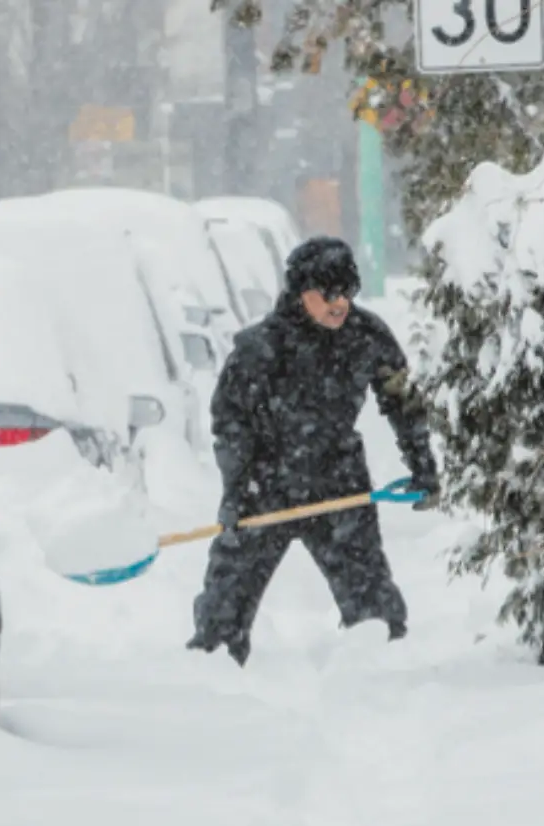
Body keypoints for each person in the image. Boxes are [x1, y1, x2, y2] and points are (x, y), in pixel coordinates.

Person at [187, 236, 439, 666]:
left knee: (374, 611)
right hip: (263, 485)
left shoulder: (366, 336)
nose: (340, 304)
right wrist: (234, 493)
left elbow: (404, 403)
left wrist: (422, 466)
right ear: (301, 292)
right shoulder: (259, 349)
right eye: (328, 294)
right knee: (223, 613)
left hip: (338, 483)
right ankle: (211, 686)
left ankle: (383, 687)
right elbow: (229, 423)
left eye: (348, 293)